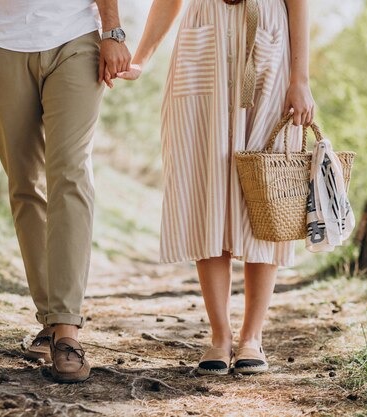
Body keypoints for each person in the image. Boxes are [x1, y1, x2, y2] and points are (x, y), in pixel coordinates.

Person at [118, 0, 315, 375]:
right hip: (203, 42)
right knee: (204, 181)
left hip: (267, 45)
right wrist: (142, 57)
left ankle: (252, 337)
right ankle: (220, 336)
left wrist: (300, 79)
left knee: (265, 187)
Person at [0, 0, 131, 383]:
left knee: (70, 174)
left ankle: (66, 330)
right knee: (24, 183)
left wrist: (112, 32)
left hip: (75, 36)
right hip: (2, 42)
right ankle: (50, 317)